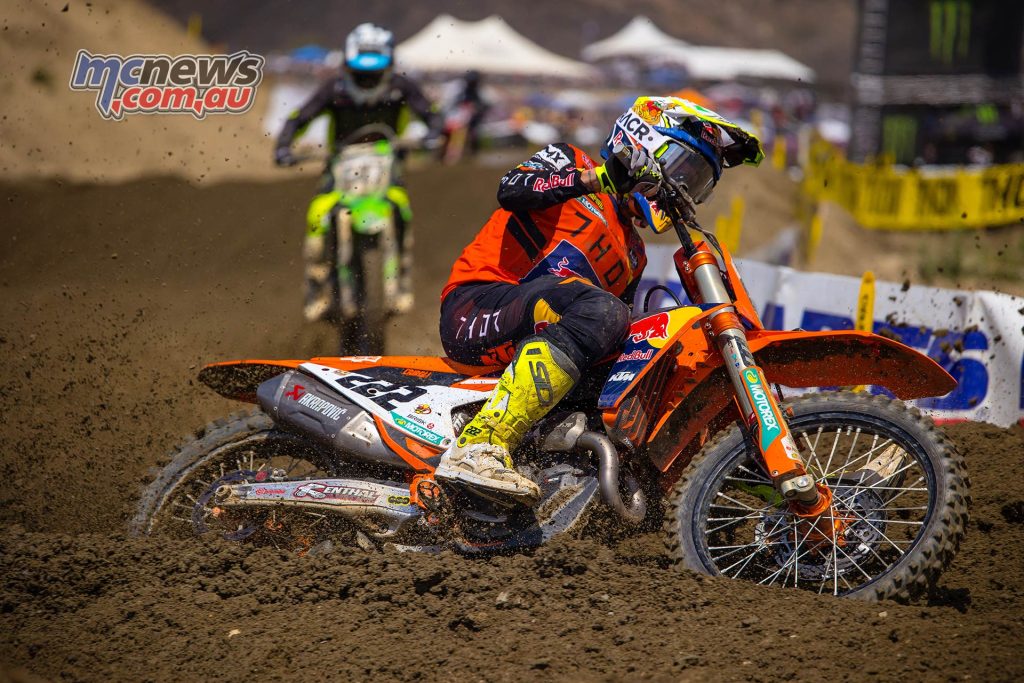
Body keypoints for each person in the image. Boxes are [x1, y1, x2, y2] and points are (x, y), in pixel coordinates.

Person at [433, 96, 763, 505]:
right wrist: (598, 180)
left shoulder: (634, 253)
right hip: (477, 305)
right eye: (682, 171)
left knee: (637, 351)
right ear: (644, 142)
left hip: (533, 337)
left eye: (698, 184)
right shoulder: (571, 160)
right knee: (602, 309)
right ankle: (480, 443)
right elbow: (511, 190)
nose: (683, 190)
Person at [274, 22, 438, 318]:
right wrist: (284, 146)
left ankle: (401, 280)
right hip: (339, 168)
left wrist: (433, 134)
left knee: (402, 210)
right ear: (348, 65)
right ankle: (318, 285)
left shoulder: (401, 87)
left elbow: (432, 114)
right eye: (361, 73)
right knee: (318, 216)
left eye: (373, 73)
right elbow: (298, 118)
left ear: (388, 65)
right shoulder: (334, 88)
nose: (366, 79)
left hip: (388, 166)